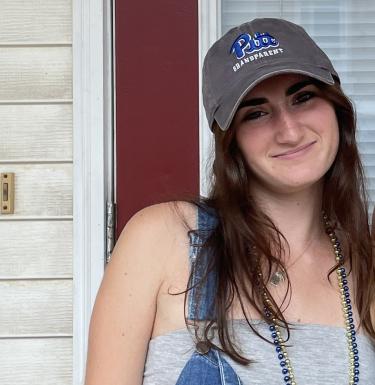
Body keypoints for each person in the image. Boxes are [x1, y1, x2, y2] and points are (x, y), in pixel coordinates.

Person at [84, 18, 375, 385]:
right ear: (230, 141)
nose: (289, 131)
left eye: (303, 98)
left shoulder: (365, 265)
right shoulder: (163, 239)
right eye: (256, 113)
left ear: (336, 108)